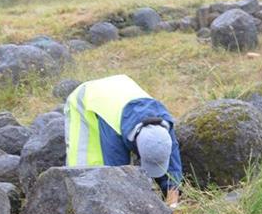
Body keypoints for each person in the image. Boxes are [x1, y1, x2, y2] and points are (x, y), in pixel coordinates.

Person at [64, 74, 183, 205]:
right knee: (87, 170)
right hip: (87, 98)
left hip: (121, 88)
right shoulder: (113, 132)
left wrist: (172, 202)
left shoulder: (164, 126)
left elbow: (173, 163)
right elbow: (116, 173)